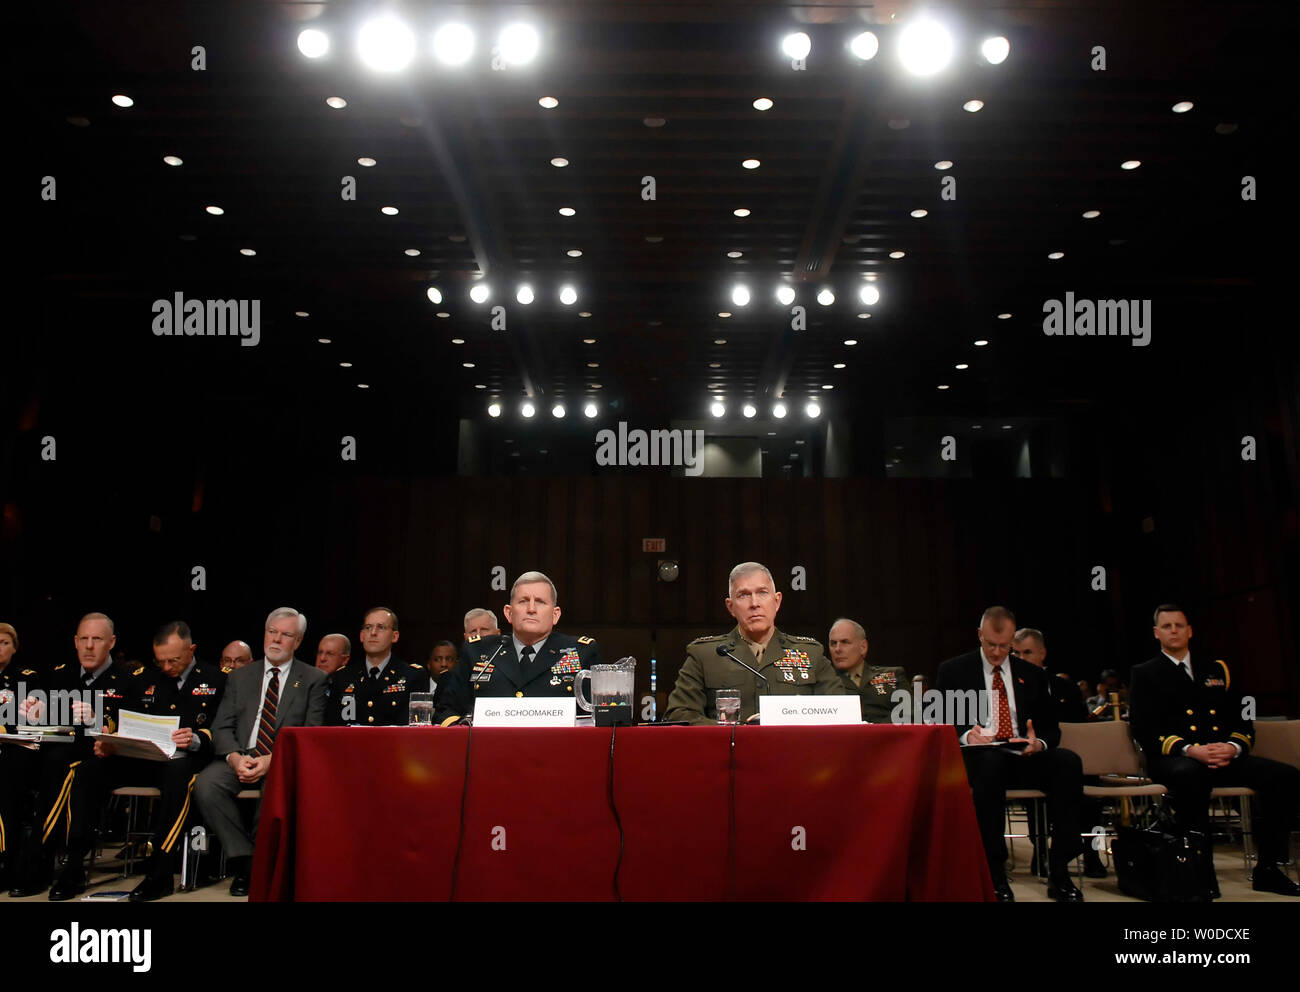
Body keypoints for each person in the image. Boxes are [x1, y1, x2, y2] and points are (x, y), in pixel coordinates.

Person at [1128, 604, 1300, 897]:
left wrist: (1232, 747)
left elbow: (1243, 718)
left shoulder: (1217, 669)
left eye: (1179, 625)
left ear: (1190, 630)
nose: (1173, 631)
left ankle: (1269, 868)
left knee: (1285, 777)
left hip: (1222, 756)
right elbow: (1143, 729)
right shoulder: (1145, 673)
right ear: (1157, 633)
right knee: (1190, 776)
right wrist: (1189, 750)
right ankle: (1200, 873)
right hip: (1176, 759)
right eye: (1167, 626)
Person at [935, 606, 1084, 903]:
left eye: (1004, 646)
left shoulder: (1032, 674)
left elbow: (1051, 730)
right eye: (990, 644)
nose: (996, 652)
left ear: (1013, 642)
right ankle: (995, 874)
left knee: (1068, 762)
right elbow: (937, 719)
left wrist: (1038, 741)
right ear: (980, 635)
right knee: (990, 765)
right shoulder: (954, 670)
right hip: (982, 757)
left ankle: (1059, 870)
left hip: (1022, 754)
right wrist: (967, 734)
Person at [7, 613, 150, 900]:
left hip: (110, 759)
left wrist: (99, 720)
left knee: (77, 773)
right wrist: (32, 707)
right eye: (83, 639)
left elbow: (139, 728)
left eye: (96, 639)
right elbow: (39, 715)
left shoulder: (129, 679)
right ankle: (19, 857)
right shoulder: (61, 674)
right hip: (60, 757)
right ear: (74, 642)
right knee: (34, 764)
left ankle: (61, 863)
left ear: (111, 642)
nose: (88, 646)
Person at [194, 607, 326, 897]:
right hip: (240, 754)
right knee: (206, 785)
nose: (277, 640)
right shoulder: (240, 677)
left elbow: (310, 733)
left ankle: (261, 865)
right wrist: (235, 757)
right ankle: (245, 861)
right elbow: (221, 728)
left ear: (299, 641)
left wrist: (272, 759)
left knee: (277, 789)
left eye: (286, 634)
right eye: (272, 632)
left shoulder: (313, 679)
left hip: (282, 758)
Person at [95, 621, 226, 902]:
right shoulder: (145, 678)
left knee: (178, 775)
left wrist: (197, 739)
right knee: (86, 768)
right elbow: (121, 719)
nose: (166, 667)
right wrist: (109, 739)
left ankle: (161, 870)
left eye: (174, 660)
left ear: (191, 650)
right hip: (145, 760)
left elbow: (223, 729)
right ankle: (68, 862)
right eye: (161, 660)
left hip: (189, 762)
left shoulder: (216, 679)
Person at [663, 562, 844, 725]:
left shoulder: (810, 653)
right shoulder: (705, 655)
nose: (754, 603)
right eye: (743, 595)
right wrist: (732, 732)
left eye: (762, 593)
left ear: (777, 601)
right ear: (730, 606)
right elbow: (680, 715)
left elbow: (842, 712)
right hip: (730, 756)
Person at [434, 573, 601, 724]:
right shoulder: (478, 651)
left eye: (540, 602)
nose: (531, 609)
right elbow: (446, 711)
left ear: (555, 615)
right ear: (509, 613)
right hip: (489, 752)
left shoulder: (580, 652)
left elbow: (597, 718)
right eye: (523, 601)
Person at [1012, 626, 1106, 878]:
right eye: (1016, 653)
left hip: (1074, 759)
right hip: (1040, 759)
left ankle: (1092, 852)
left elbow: (1080, 727)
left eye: (1027, 652)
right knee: (1041, 794)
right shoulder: (1011, 688)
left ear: (1042, 653)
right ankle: (1041, 851)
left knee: (1091, 792)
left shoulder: (1066, 688)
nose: (1020, 659)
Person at [326, 608, 430, 726]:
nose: (373, 633)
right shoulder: (343, 676)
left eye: (381, 627)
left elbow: (419, 728)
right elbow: (332, 727)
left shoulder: (413, 676)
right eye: (368, 627)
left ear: (394, 636)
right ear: (362, 636)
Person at [0, 622, 43, 891]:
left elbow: (31, 719)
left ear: (14, 648)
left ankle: (7, 861)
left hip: (17, 749)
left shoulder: (27, 678)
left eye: (5, 642)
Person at [826, 618, 906, 723]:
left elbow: (910, 715)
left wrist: (873, 731)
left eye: (845, 642)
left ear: (863, 647)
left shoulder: (893, 675)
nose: (837, 649)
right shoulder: (825, 682)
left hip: (889, 737)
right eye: (833, 643)